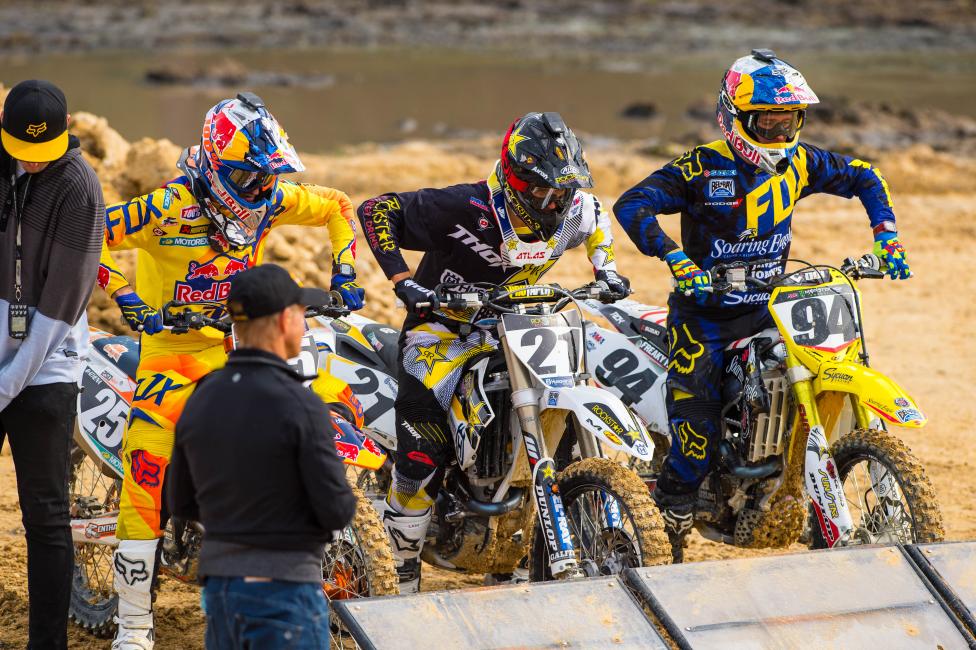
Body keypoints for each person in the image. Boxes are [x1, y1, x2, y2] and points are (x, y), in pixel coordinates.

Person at [613, 49, 910, 559]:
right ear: (735, 117)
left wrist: (887, 237)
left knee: (824, 367)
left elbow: (864, 174)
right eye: (766, 121)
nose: (778, 133)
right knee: (698, 430)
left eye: (788, 120)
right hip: (704, 316)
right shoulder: (702, 168)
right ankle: (675, 502)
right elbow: (631, 204)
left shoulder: (800, 161)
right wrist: (675, 257)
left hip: (772, 308)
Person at [98, 92, 364, 649]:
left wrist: (344, 271)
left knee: (331, 397)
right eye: (253, 179)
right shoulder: (164, 208)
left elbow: (339, 205)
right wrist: (122, 292)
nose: (264, 191)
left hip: (240, 344)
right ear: (221, 169)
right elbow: (85, 238)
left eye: (270, 180)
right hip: (171, 352)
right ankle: (133, 626)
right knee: (147, 462)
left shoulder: (268, 200)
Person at [357, 111, 629, 593]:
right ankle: (400, 563)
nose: (554, 202)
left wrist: (605, 269)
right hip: (443, 331)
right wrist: (404, 283)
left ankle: (526, 548)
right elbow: (376, 210)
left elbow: (596, 218)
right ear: (514, 179)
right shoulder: (463, 206)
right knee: (424, 450)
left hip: (518, 329)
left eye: (562, 192)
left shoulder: (575, 209)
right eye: (544, 192)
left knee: (560, 430)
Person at [168, 263, 356, 650]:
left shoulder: (200, 396)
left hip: (221, 590)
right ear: (286, 319)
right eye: (302, 315)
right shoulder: (302, 405)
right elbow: (337, 510)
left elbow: (180, 501)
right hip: (285, 591)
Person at [0, 79, 105, 649]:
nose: (32, 165)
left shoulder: (79, 186)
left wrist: (7, 385)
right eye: (21, 152)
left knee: (45, 515)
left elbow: (60, 306)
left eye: (44, 154)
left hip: (47, 364)